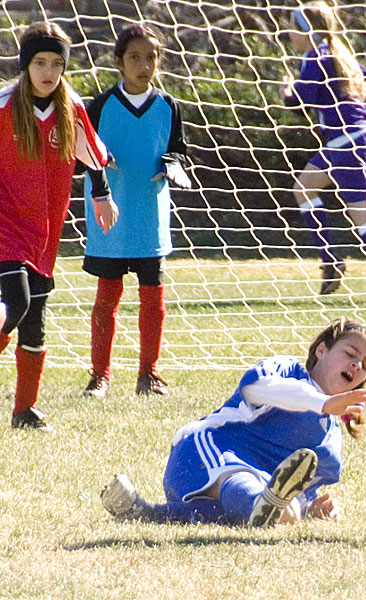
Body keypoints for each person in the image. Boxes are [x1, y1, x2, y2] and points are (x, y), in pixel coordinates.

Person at [100, 317, 366, 528]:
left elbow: (297, 485)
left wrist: (312, 510)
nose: (358, 364)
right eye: (351, 353)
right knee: (244, 485)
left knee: (288, 514)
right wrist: (321, 403)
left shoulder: (331, 438)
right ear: (321, 350)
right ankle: (256, 504)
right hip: (207, 454)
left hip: (250, 490)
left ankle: (145, 513)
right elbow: (254, 387)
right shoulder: (288, 371)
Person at [0, 22, 116, 431]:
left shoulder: (71, 106)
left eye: (56, 64)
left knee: (35, 322)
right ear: (24, 65)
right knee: (17, 300)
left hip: (45, 230)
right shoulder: (4, 106)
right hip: (5, 223)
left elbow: (94, 156)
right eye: (39, 63)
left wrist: (102, 197)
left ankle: (25, 411)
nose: (48, 72)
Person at [81, 24, 190, 399]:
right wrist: (101, 158)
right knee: (107, 297)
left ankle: (149, 375)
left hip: (150, 214)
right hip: (109, 215)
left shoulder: (168, 106)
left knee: (153, 297)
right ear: (118, 62)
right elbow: (82, 153)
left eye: (151, 58)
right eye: (134, 58)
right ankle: (100, 377)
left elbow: (178, 151)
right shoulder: (101, 105)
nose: (144, 66)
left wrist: (172, 166)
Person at [282, 1, 366, 304]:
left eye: (292, 28)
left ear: (307, 31)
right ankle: (331, 261)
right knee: (304, 188)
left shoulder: (314, 57)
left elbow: (299, 102)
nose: (289, 34)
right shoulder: (341, 54)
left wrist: (287, 93)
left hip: (345, 140)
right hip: (353, 136)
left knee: (361, 213)